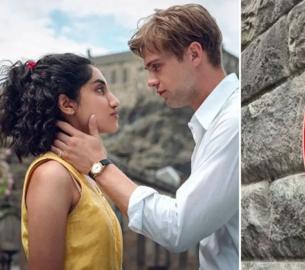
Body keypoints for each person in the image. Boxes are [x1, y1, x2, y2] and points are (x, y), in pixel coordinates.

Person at [53, 4, 239, 270]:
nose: (150, 80)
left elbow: (179, 228)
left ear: (194, 54)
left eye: (156, 66)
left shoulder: (232, 123)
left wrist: (100, 165)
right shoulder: (213, 124)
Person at [0, 53, 123, 269]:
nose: (115, 101)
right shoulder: (52, 175)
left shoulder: (85, 175)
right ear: (67, 104)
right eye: (100, 89)